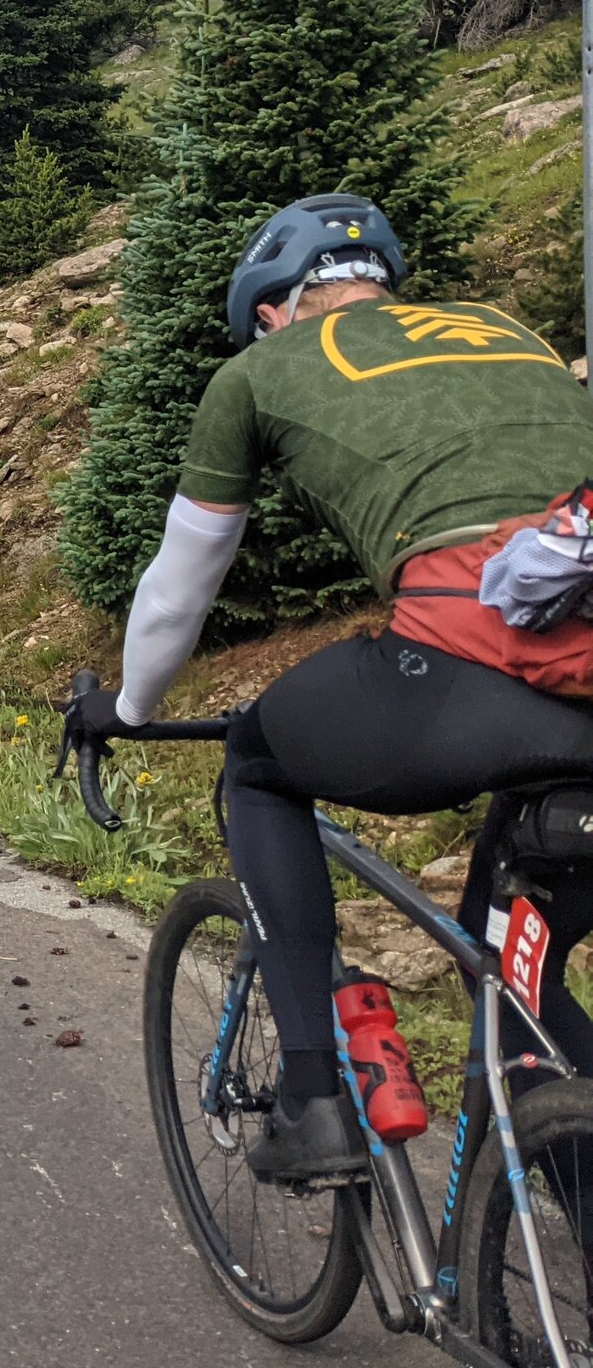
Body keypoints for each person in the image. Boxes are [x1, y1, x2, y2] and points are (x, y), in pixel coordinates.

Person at [72, 193, 593, 1182]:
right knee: (519, 994)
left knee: (258, 764)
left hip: (471, 670)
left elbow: (180, 585)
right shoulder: (508, 333)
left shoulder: (258, 370)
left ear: (269, 309)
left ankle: (311, 1096)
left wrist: (128, 708)